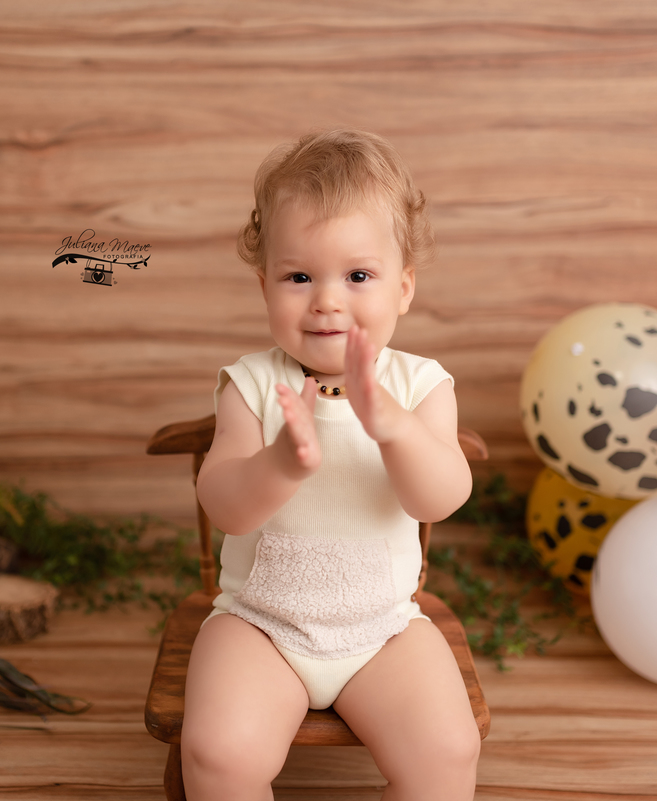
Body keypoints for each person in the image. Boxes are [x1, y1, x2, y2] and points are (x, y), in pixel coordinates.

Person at [182, 128, 479, 800]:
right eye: (298, 277)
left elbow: (441, 496)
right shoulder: (252, 385)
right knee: (218, 753)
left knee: (448, 750)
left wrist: (395, 429)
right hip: (260, 624)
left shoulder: (420, 386)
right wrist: (281, 464)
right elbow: (223, 503)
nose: (327, 300)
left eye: (358, 276)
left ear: (404, 287)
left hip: (384, 628)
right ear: (264, 285)